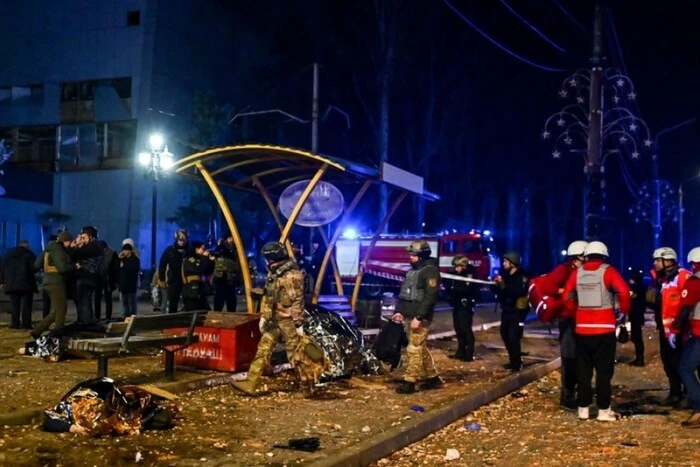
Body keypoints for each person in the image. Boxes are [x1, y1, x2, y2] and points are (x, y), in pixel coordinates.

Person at [562, 241, 630, 422]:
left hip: (582, 329)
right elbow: (623, 292)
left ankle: (583, 409)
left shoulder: (577, 273)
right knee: (603, 371)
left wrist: (575, 311)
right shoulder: (609, 271)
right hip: (604, 329)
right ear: (604, 255)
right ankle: (603, 411)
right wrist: (621, 312)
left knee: (583, 370)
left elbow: (566, 296)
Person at [232, 242, 307, 396]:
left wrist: (298, 323)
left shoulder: (292, 275)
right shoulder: (275, 273)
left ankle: (307, 387)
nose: (266, 261)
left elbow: (298, 300)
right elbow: (269, 297)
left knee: (295, 355)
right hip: (275, 320)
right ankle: (251, 383)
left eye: (267, 258)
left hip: (288, 322)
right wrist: (265, 317)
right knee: (263, 350)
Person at [531, 240, 587, 411]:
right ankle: (567, 397)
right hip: (568, 319)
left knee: (581, 358)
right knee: (569, 357)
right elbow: (548, 287)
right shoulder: (564, 270)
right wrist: (568, 291)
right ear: (578, 257)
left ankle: (579, 392)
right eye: (586, 256)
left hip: (582, 318)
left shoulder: (583, 270)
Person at [393, 240, 442, 394]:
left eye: (413, 255)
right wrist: (399, 310)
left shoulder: (430, 271)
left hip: (419, 317)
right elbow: (405, 293)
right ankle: (433, 377)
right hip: (409, 314)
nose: (411, 257)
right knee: (419, 347)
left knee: (413, 349)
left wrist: (419, 317)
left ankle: (410, 381)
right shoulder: (413, 271)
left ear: (421, 256)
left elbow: (430, 297)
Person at [647, 247, 691, 406]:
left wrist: (679, 327)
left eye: (657, 260)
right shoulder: (663, 280)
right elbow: (657, 304)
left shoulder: (682, 276)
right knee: (669, 363)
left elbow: (688, 303)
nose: (655, 263)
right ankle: (675, 392)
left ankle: (688, 394)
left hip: (681, 329)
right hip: (666, 330)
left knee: (683, 363)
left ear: (668, 260)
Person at [670, 247, 700, 428]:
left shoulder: (695, 281)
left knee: (685, 368)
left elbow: (685, 307)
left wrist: (674, 330)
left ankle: (698, 409)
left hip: (699, 333)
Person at [31, 232, 77, 338]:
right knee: (61, 309)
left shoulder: (47, 250)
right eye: (69, 242)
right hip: (56, 282)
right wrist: (74, 266)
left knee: (57, 309)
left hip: (47, 282)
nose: (70, 244)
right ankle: (58, 333)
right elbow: (63, 268)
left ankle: (37, 331)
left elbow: (36, 266)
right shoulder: (58, 250)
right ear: (65, 241)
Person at [493, 251, 530, 372]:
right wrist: (495, 285)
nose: (503, 264)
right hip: (507, 310)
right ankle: (512, 359)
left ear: (512, 263)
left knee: (514, 337)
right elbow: (499, 291)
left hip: (517, 311)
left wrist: (504, 286)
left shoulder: (522, 276)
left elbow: (520, 291)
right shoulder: (506, 275)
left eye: (505, 261)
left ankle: (517, 363)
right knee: (504, 334)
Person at [448, 255, 480, 362]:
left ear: (463, 265)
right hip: (457, 304)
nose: (456, 269)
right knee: (458, 328)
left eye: (457, 266)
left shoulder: (470, 274)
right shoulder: (458, 274)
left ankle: (469, 353)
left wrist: (454, 288)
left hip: (466, 305)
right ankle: (460, 352)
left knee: (465, 329)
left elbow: (466, 288)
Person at [0, 240, 38, 329]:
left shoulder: (8, 254)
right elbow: (34, 268)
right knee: (27, 305)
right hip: (26, 283)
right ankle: (26, 324)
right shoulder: (29, 254)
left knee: (14, 305)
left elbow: (2, 268)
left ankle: (15, 323)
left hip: (11, 284)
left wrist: (1, 282)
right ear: (26, 245)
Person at [70, 226, 104, 324]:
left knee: (84, 301)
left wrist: (76, 246)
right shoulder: (91, 246)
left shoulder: (95, 246)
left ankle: (87, 322)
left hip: (88, 277)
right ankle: (82, 320)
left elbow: (81, 253)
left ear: (91, 237)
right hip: (84, 277)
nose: (82, 240)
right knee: (81, 300)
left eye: (84, 237)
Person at [158, 229, 189, 314]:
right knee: (173, 302)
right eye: (180, 240)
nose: (181, 242)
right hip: (174, 280)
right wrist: (162, 279)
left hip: (187, 280)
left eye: (183, 240)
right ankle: (172, 321)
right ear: (176, 239)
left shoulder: (190, 250)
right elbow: (162, 265)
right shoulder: (169, 251)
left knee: (189, 302)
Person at [181, 241, 214, 311]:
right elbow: (199, 270)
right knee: (192, 311)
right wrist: (205, 258)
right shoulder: (189, 260)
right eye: (202, 249)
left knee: (206, 311)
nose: (204, 251)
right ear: (196, 249)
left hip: (201, 289)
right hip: (191, 290)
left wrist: (211, 261)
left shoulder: (201, 259)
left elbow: (208, 272)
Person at [212, 234, 241, 312]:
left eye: (232, 238)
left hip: (231, 279)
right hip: (221, 278)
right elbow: (217, 252)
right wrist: (222, 244)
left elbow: (233, 254)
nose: (231, 240)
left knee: (231, 302)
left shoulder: (236, 249)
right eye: (229, 238)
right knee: (219, 301)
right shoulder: (222, 247)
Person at [627, 267, 647, 366]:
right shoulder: (641, 287)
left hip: (636, 315)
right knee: (636, 337)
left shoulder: (637, 288)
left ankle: (640, 359)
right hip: (637, 314)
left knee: (637, 337)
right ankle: (639, 358)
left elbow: (632, 298)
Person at [94, 240, 118, 321]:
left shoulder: (110, 254)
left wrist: (114, 281)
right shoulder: (111, 253)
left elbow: (115, 269)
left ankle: (101, 316)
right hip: (103, 278)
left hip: (106, 279)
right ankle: (104, 316)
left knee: (104, 298)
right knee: (104, 299)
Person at [37, 234, 59, 319]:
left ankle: (45, 320)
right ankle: (56, 321)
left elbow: (36, 266)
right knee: (57, 304)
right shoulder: (59, 252)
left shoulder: (44, 253)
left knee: (46, 303)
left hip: (46, 280)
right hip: (57, 281)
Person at [118, 243, 140, 318]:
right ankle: (126, 318)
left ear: (130, 251)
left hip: (131, 285)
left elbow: (133, 269)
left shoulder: (135, 260)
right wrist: (119, 259)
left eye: (126, 250)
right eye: (123, 250)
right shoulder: (122, 259)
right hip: (123, 285)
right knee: (125, 304)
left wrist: (124, 264)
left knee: (131, 303)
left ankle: (133, 318)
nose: (124, 252)